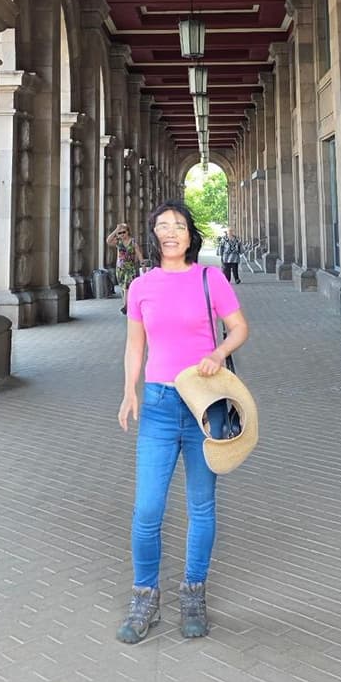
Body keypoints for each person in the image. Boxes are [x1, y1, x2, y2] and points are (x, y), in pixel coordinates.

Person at [116, 199, 248, 643]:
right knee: (147, 508)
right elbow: (135, 345)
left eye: (178, 225)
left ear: (190, 234)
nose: (170, 232)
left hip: (205, 406)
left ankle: (194, 592)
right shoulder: (141, 286)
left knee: (201, 506)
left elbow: (239, 327)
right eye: (162, 226)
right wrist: (129, 391)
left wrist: (218, 353)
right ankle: (144, 595)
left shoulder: (211, 279)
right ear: (153, 235)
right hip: (157, 403)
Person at [106, 222, 144, 306]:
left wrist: (142, 264)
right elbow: (108, 241)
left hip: (130, 268)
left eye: (124, 232)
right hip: (120, 269)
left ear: (128, 232)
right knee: (123, 288)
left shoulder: (133, 242)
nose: (122, 234)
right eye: (120, 233)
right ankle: (128, 304)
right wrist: (116, 230)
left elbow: (139, 253)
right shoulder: (118, 242)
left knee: (127, 287)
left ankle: (125, 306)